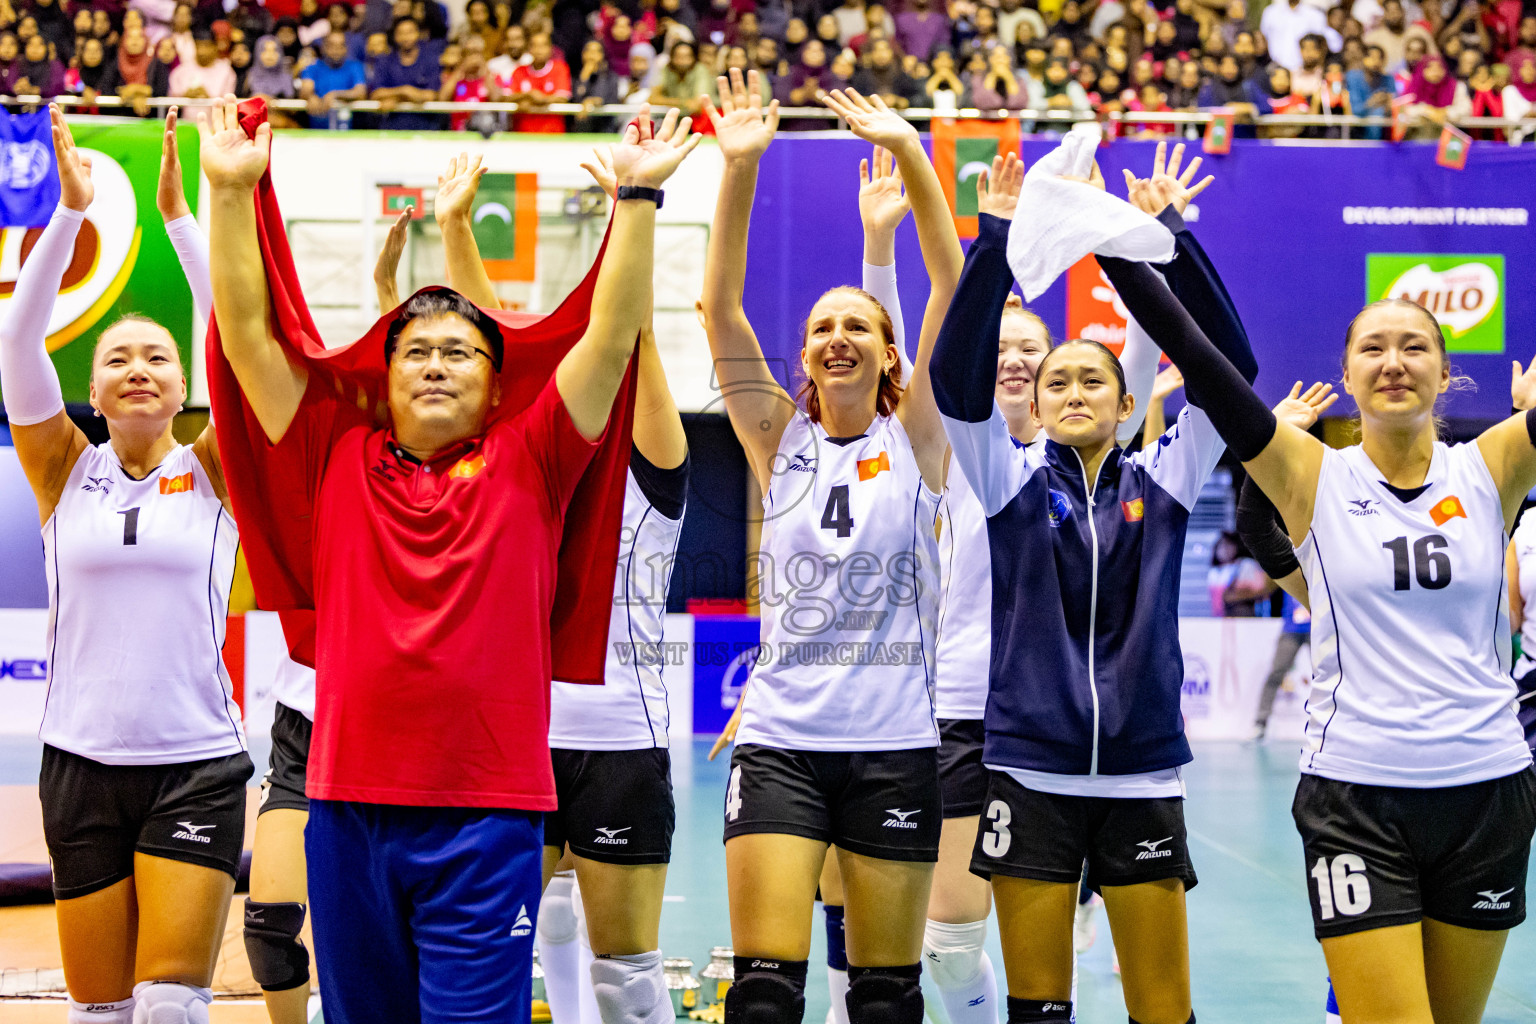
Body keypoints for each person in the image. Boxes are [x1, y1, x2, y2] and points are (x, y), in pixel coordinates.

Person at [201, 95, 700, 1024]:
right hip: (345, 810)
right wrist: (232, 192)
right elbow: (246, 338)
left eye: (461, 353)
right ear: (381, 382)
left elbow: (610, 333)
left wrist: (637, 201)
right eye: (416, 351)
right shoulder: (334, 456)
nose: (435, 363)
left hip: (489, 813)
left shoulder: (537, 457)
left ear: (498, 383)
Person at [1093, 169, 1536, 1024]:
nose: (1394, 361)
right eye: (1373, 347)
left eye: (1415, 347)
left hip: (1488, 792)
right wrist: (1129, 251)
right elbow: (1205, 360)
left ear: (1446, 376)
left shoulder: (1496, 464)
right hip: (1357, 795)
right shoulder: (1309, 476)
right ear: (1346, 372)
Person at [930, 139, 1258, 1024]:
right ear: (1033, 406)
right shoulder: (1006, 479)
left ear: (1125, 403)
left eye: (1093, 380)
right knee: (1040, 1010)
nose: (1073, 390)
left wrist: (1166, 240)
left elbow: (1236, 371)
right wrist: (992, 243)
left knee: (1163, 1012)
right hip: (1029, 772)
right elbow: (952, 380)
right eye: (1055, 381)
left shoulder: (1170, 476)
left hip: (1144, 777)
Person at [699, 70, 963, 1024]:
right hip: (781, 743)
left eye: (857, 324)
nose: (837, 336)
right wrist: (740, 169)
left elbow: (952, 292)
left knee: (887, 999)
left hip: (895, 745)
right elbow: (719, 312)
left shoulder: (921, 439)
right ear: (803, 356)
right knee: (765, 1000)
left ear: (889, 355)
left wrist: (910, 155)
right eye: (820, 327)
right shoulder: (781, 442)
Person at [0, 106, 252, 1024]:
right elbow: (17, 343)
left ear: (187, 383)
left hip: (198, 765)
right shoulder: (61, 467)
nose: (140, 366)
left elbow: (235, 333)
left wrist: (184, 222)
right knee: (100, 1012)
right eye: (118, 358)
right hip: (77, 766)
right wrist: (69, 214)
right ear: (94, 389)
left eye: (159, 356)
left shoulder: (220, 468)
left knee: (170, 1004)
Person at [369, 15, 443, 129]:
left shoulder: (430, 60)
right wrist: (404, 91)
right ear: (395, 36)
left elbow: (431, 95)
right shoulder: (385, 61)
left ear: (418, 33)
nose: (406, 37)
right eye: (401, 33)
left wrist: (394, 97)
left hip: (425, 128)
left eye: (410, 32)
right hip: (392, 128)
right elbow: (377, 94)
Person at [300, 30, 368, 128]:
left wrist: (335, 95)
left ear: (346, 48)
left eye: (341, 46)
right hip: (316, 131)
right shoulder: (312, 67)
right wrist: (310, 97)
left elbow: (361, 92)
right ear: (323, 48)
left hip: (348, 131)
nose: (337, 50)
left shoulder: (355, 67)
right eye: (332, 46)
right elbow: (306, 90)